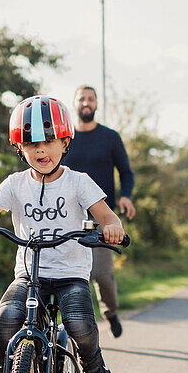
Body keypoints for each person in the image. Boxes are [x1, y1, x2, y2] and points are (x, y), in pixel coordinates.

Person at [0, 95, 125, 373]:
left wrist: (112, 227)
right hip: (29, 275)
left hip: (70, 274)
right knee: (6, 319)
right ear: (20, 149)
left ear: (64, 142)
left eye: (48, 141)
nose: (41, 150)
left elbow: (107, 217)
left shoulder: (79, 182)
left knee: (79, 324)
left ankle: (94, 364)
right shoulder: (15, 184)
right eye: (30, 144)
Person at [61, 85, 135, 338]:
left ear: (96, 104)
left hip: (101, 217)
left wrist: (125, 196)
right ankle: (71, 328)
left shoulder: (110, 137)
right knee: (67, 273)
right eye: (82, 98)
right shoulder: (64, 137)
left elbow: (126, 171)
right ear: (74, 103)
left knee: (101, 273)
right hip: (67, 215)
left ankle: (110, 311)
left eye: (91, 99)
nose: (86, 102)